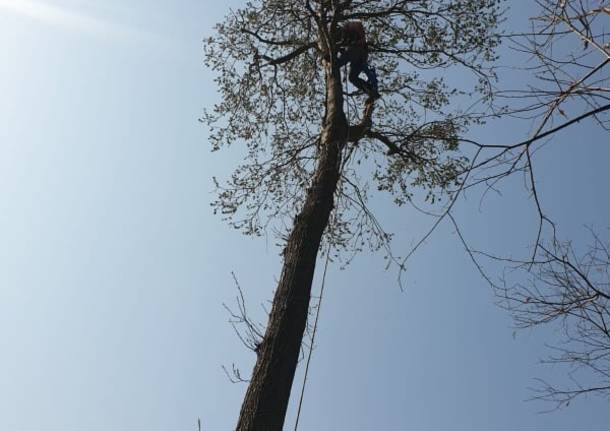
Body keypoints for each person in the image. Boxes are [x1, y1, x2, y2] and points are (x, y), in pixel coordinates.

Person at [337, 21, 380, 100]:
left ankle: (334, 62)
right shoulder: (345, 38)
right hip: (358, 59)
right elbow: (343, 44)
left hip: (358, 51)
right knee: (352, 78)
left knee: (340, 61)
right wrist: (343, 47)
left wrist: (348, 42)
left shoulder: (349, 27)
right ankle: (370, 90)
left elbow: (359, 25)